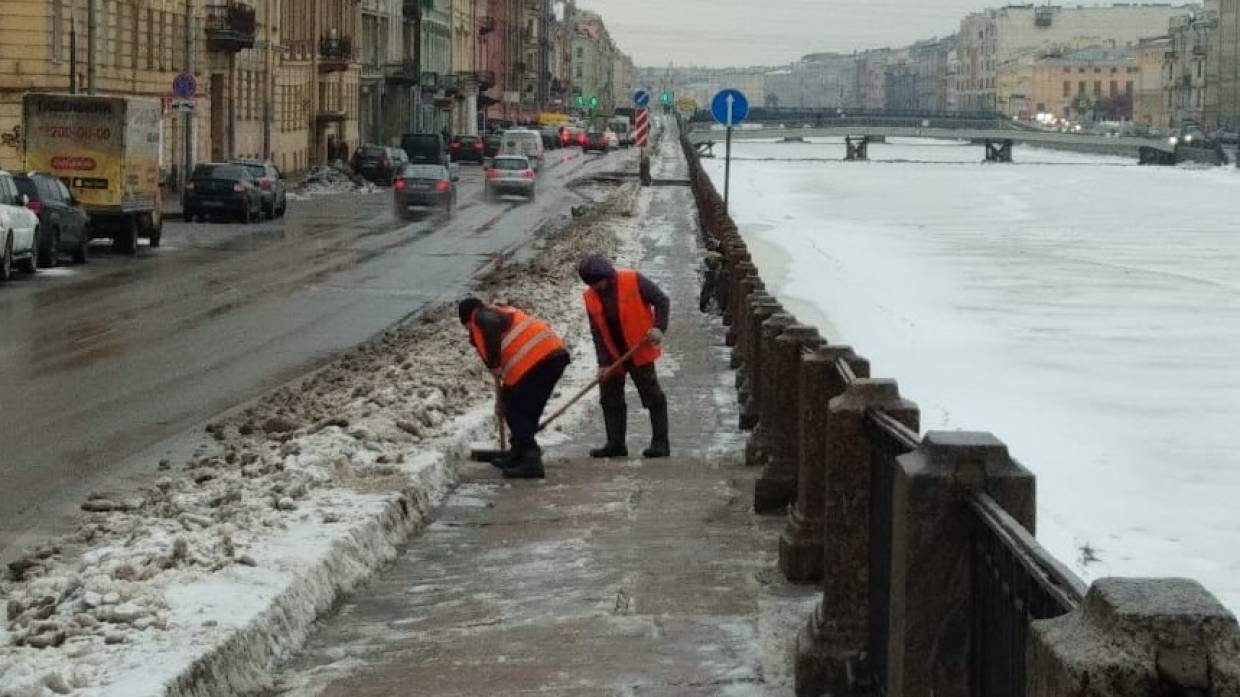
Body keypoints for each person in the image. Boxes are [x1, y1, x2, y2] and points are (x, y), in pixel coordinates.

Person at [459, 297, 571, 479]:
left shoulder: (482, 316)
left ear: (467, 319)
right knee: (514, 405)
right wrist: (502, 398)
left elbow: (491, 326)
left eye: (466, 327)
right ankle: (518, 453)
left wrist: (494, 363)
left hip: (540, 360)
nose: (468, 332)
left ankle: (531, 461)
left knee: (519, 410)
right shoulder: (496, 312)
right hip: (547, 358)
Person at [577, 255, 671, 459]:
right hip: (612, 354)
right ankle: (616, 444)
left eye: (597, 282)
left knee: (652, 396)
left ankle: (660, 443)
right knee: (610, 399)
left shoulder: (632, 279)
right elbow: (597, 332)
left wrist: (658, 327)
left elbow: (662, 301)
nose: (596, 287)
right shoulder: (591, 297)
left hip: (638, 349)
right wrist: (603, 363)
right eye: (591, 284)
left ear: (606, 275)